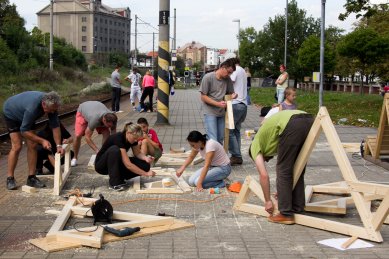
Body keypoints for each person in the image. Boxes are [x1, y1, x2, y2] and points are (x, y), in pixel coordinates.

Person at [249, 110, 314, 224]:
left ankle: (285, 214)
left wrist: (268, 201)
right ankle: (297, 208)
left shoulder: (255, 146)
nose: (266, 161)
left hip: (292, 122)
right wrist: (284, 191)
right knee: (297, 167)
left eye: (264, 159)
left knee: (283, 170)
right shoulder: (268, 141)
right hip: (308, 119)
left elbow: (264, 175)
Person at [3, 91, 63, 190]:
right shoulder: (33, 108)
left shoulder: (52, 106)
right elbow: (24, 131)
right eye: (50, 110)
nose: (52, 112)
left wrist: (58, 146)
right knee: (17, 146)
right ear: (44, 104)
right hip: (11, 112)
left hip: (24, 113)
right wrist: (42, 141)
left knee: (33, 145)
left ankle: (31, 178)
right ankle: (10, 178)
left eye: (54, 110)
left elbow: (56, 126)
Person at [94, 122, 156, 191]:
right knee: (115, 150)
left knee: (145, 165)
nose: (136, 141)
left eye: (137, 139)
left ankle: (120, 177)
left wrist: (146, 158)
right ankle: (114, 183)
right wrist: (146, 174)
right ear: (128, 133)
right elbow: (128, 164)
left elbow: (137, 153)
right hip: (102, 165)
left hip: (116, 162)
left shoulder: (132, 138)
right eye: (134, 138)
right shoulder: (118, 138)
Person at [199, 58, 238, 144]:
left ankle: (217, 156)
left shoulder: (227, 80)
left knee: (220, 139)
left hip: (221, 112)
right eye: (228, 72)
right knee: (213, 138)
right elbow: (203, 97)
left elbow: (231, 93)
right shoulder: (208, 77)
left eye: (231, 73)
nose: (229, 75)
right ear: (222, 67)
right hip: (210, 112)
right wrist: (218, 104)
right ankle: (211, 156)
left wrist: (234, 96)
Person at [71, 101, 117, 166]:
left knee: (107, 133)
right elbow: (87, 138)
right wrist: (97, 150)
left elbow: (113, 135)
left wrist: (113, 148)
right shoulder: (94, 120)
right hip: (82, 111)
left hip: (95, 111)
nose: (110, 127)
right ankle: (75, 157)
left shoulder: (113, 118)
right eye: (108, 126)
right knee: (78, 135)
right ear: (104, 120)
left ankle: (104, 153)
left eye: (110, 126)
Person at [229, 58, 248, 165]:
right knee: (236, 131)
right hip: (243, 104)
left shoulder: (235, 70)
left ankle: (236, 156)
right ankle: (237, 155)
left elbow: (230, 80)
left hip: (236, 103)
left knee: (230, 131)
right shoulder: (243, 71)